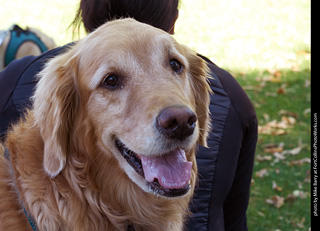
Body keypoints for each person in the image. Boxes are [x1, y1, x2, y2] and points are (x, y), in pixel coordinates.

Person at [0, 0, 257, 230]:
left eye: (174, 65)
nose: (176, 113)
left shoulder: (11, 78)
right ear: (174, 18)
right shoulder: (236, 99)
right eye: (112, 81)